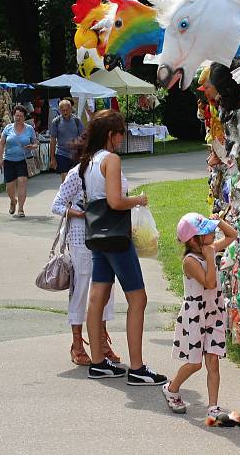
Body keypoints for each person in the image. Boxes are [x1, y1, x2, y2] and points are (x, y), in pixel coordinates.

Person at [80, 109, 166, 386]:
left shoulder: (89, 161)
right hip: (116, 235)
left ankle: (97, 362)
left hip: (97, 234)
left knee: (97, 297)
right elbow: (116, 201)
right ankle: (138, 368)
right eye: (120, 134)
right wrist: (138, 200)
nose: (122, 139)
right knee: (138, 299)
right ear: (111, 135)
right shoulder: (111, 160)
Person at [162, 212, 239, 425]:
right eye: (207, 230)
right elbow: (209, 283)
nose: (212, 232)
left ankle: (213, 408)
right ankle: (171, 389)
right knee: (195, 364)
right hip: (195, 315)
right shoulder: (190, 261)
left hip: (213, 312)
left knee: (213, 361)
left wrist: (218, 220)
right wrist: (209, 257)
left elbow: (232, 236)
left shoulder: (209, 248)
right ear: (194, 240)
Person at [51, 165, 120, 366]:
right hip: (80, 238)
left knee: (105, 287)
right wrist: (79, 214)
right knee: (81, 288)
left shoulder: (110, 171)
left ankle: (101, 342)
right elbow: (57, 205)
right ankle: (77, 344)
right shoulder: (76, 174)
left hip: (105, 234)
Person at [0, 104, 38, 217]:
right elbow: (1, 144)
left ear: (24, 117)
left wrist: (32, 146)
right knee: (9, 187)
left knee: (22, 182)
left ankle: (21, 209)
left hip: (23, 160)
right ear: (13, 116)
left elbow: (36, 143)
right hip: (9, 160)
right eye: (16, 115)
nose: (18, 118)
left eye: (20, 116)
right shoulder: (8, 128)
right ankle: (13, 201)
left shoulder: (29, 129)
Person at [50, 99, 84, 182]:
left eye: (67, 110)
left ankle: (75, 194)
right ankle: (66, 194)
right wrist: (52, 158)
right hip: (62, 153)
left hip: (75, 154)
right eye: (63, 110)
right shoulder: (56, 122)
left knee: (77, 177)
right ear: (60, 110)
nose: (65, 112)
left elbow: (83, 137)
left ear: (71, 109)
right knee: (65, 177)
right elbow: (53, 140)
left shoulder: (77, 120)